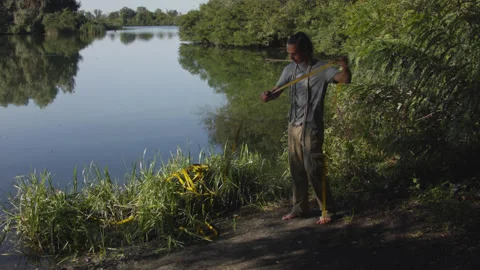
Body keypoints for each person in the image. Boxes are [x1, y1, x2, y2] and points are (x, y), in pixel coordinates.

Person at [260, 32, 351, 225]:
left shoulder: (322, 69)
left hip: (311, 127)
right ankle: (300, 208)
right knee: (296, 169)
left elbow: (344, 79)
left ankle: (327, 208)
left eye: (295, 53)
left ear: (306, 50)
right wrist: (268, 96)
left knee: (314, 168)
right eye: (289, 53)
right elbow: (276, 92)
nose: (291, 57)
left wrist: (345, 66)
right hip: (293, 125)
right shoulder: (289, 70)